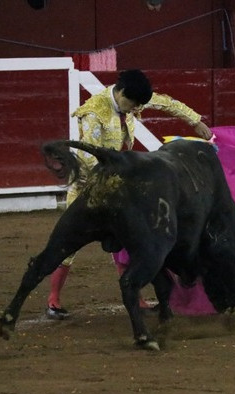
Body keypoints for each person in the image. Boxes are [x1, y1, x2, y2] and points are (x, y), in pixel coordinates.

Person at [45, 69, 212, 320]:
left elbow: (165, 102)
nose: (135, 109)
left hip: (118, 185)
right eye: (132, 104)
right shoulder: (93, 113)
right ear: (121, 93)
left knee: (129, 242)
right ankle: (53, 300)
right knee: (68, 245)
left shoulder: (131, 96)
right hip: (88, 189)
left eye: (138, 105)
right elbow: (89, 159)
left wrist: (196, 121)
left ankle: (137, 297)